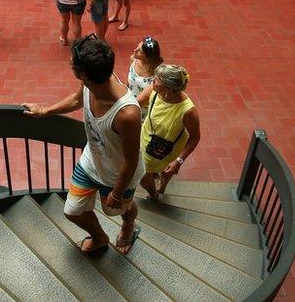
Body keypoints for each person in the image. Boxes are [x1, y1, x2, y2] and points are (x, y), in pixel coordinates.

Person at [23, 35, 144, 255]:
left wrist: (118, 192)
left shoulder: (127, 113)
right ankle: (100, 238)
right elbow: (77, 99)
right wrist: (45, 111)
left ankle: (128, 225)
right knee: (72, 211)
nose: (70, 63)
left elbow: (131, 158)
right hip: (91, 162)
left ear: (82, 73)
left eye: (73, 63)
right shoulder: (90, 82)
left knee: (117, 209)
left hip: (119, 175)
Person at [137, 64, 201, 200]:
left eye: (156, 79)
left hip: (170, 149)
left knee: (166, 171)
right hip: (146, 142)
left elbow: (195, 137)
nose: (152, 81)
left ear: (169, 88)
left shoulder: (188, 111)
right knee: (142, 174)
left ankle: (163, 182)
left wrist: (179, 160)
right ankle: (153, 194)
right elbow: (135, 106)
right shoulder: (153, 91)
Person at [127, 36, 163, 106]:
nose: (135, 50)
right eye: (137, 47)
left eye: (139, 51)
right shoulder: (133, 59)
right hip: (130, 101)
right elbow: (128, 82)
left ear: (147, 56)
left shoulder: (158, 72)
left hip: (145, 107)